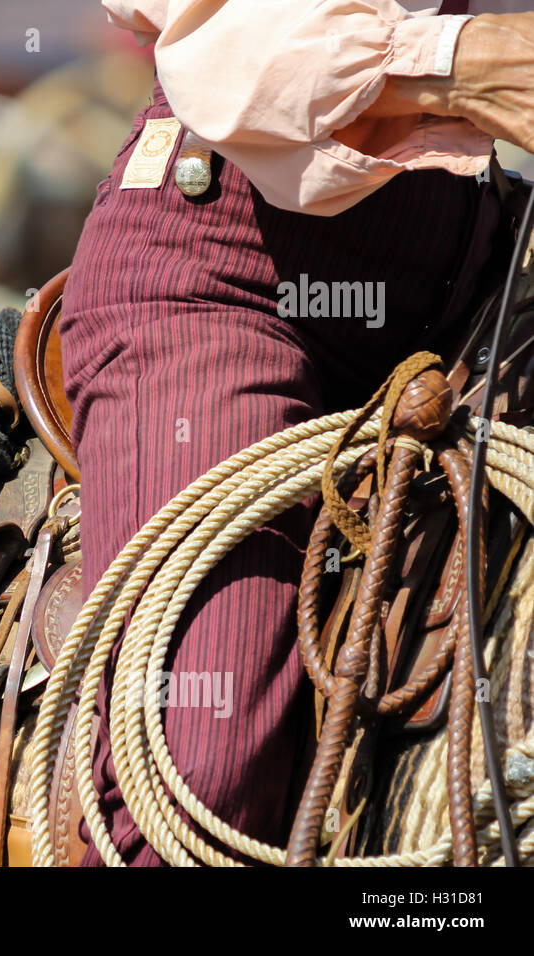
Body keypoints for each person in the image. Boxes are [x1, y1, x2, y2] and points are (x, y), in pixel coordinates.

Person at [60, 0, 534, 866]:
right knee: (203, 775)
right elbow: (236, 49)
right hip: (225, 284)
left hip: (474, 288)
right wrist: (463, 59)